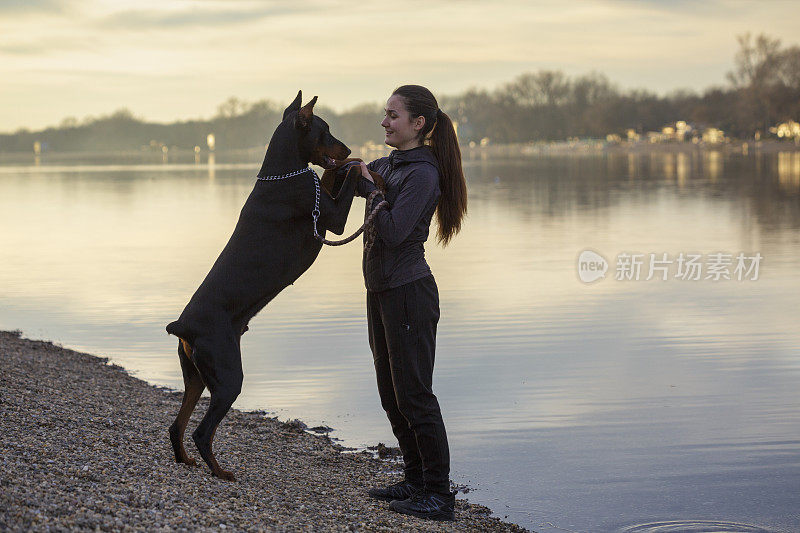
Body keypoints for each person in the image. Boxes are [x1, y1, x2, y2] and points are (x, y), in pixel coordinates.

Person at [350, 85, 467, 521]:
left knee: (415, 396)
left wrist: (372, 193)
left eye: (392, 115)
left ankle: (438, 495)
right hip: (380, 292)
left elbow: (397, 231)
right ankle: (415, 479)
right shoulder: (392, 164)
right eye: (385, 114)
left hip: (409, 293)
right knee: (390, 393)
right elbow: (358, 172)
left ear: (418, 124)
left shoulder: (422, 173)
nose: (384, 121)